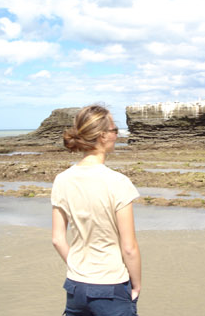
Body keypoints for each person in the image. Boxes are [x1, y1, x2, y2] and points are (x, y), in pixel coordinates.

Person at [51, 104, 141, 316]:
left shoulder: (62, 180)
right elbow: (129, 248)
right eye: (115, 130)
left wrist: (76, 266)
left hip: (75, 286)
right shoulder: (118, 182)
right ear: (102, 136)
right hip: (112, 287)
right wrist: (136, 285)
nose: (117, 135)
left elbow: (57, 239)